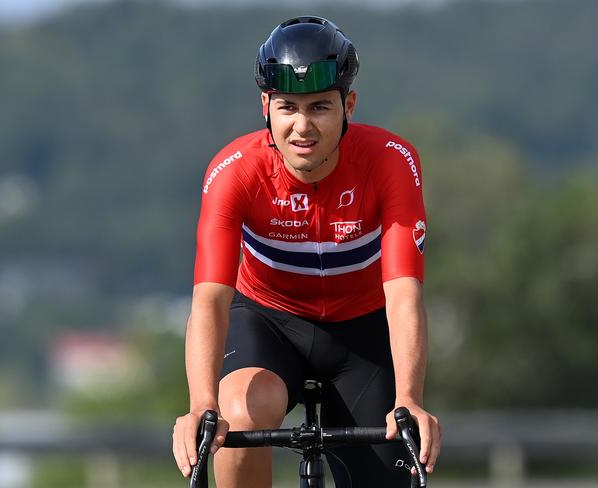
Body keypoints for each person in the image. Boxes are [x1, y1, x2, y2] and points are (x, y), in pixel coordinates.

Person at [172, 16, 441, 487]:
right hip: (268, 321)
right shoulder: (235, 171)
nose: (302, 126)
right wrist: (200, 405)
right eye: (287, 107)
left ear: (348, 105)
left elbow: (403, 292)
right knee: (235, 415)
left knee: (393, 462)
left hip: (363, 329)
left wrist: (410, 398)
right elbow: (210, 298)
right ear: (265, 107)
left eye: (319, 106)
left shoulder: (390, 161)